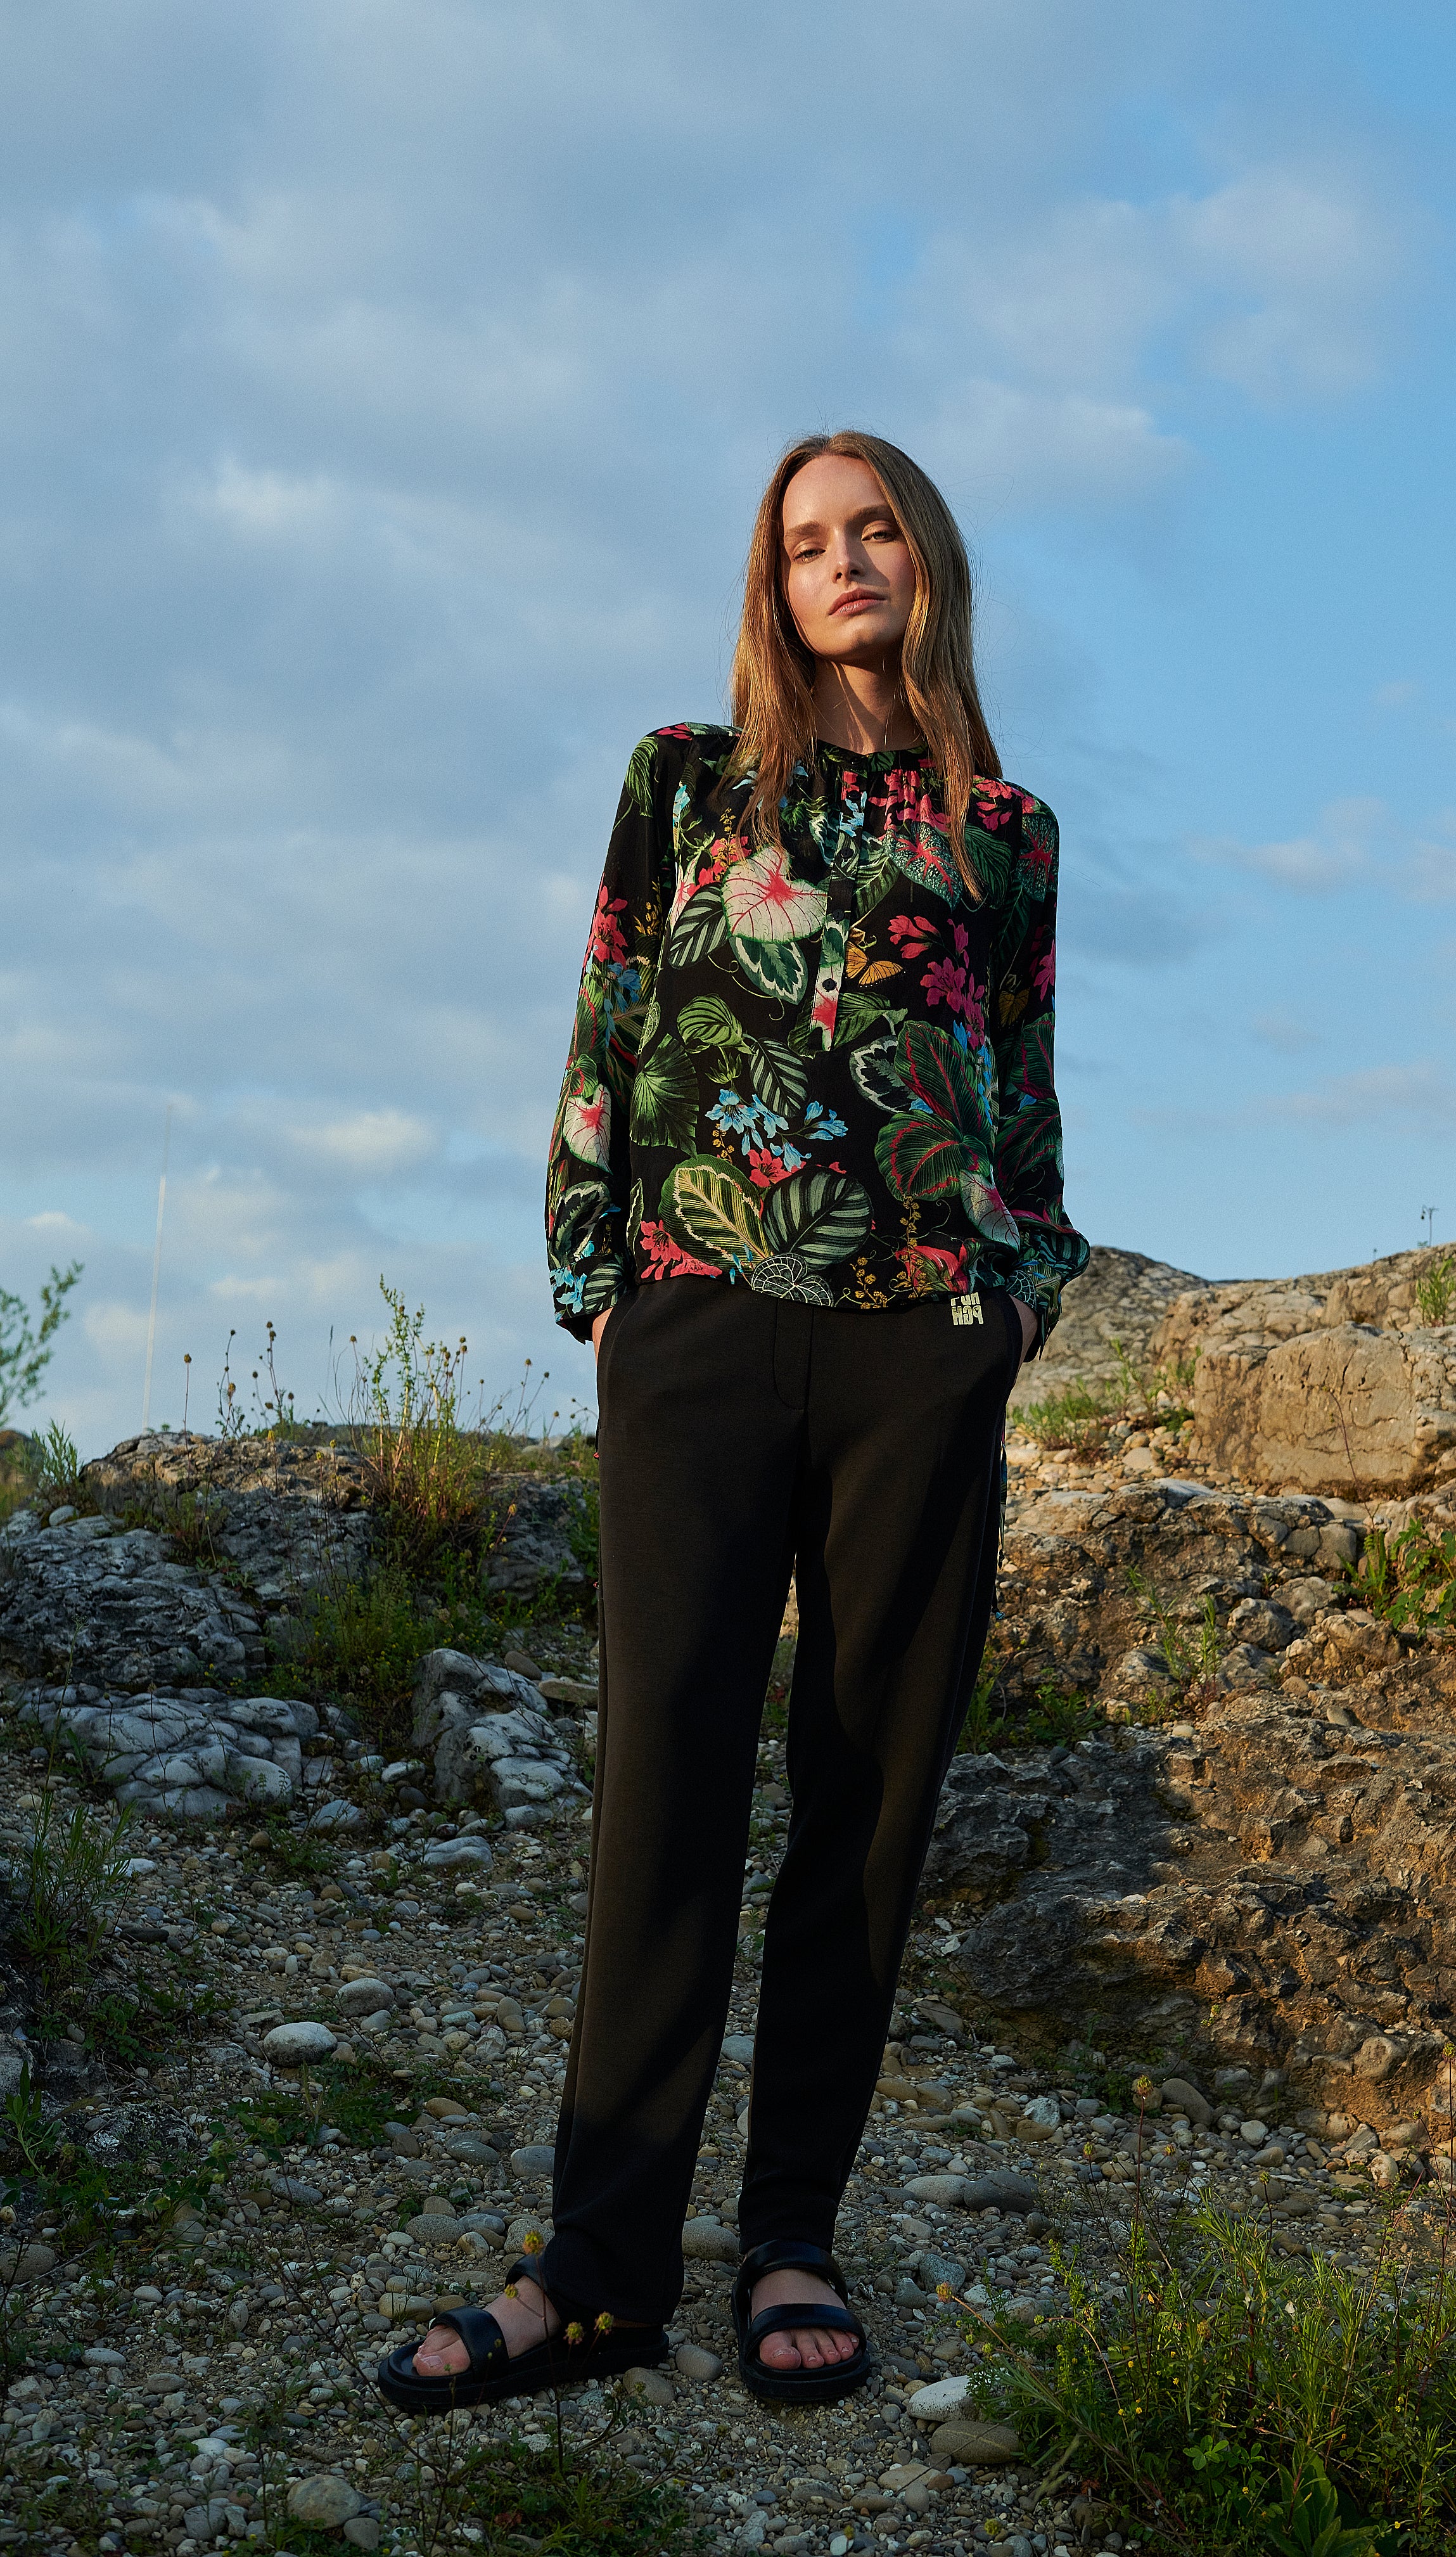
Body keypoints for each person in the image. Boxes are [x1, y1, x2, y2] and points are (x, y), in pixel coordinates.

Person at [379, 428, 1088, 2417]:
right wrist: (599, 1280)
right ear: (770, 585)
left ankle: (793, 2235)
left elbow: (1019, 1090)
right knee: (665, 1785)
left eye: (872, 529)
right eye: (804, 542)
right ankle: (595, 2266)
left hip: (914, 1350)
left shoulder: (1010, 831)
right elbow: (608, 1017)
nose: (842, 561)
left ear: (925, 560)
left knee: (865, 1803)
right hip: (697, 1327)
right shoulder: (686, 780)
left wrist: (1008, 1292)